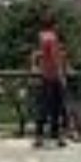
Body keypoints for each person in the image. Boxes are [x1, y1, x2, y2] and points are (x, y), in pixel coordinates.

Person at [32, 16, 70, 148]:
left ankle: (39, 136)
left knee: (43, 107)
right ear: (54, 25)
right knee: (57, 108)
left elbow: (38, 55)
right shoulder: (52, 38)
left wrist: (36, 66)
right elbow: (55, 58)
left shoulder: (41, 38)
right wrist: (61, 75)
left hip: (44, 76)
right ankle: (57, 136)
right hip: (53, 77)